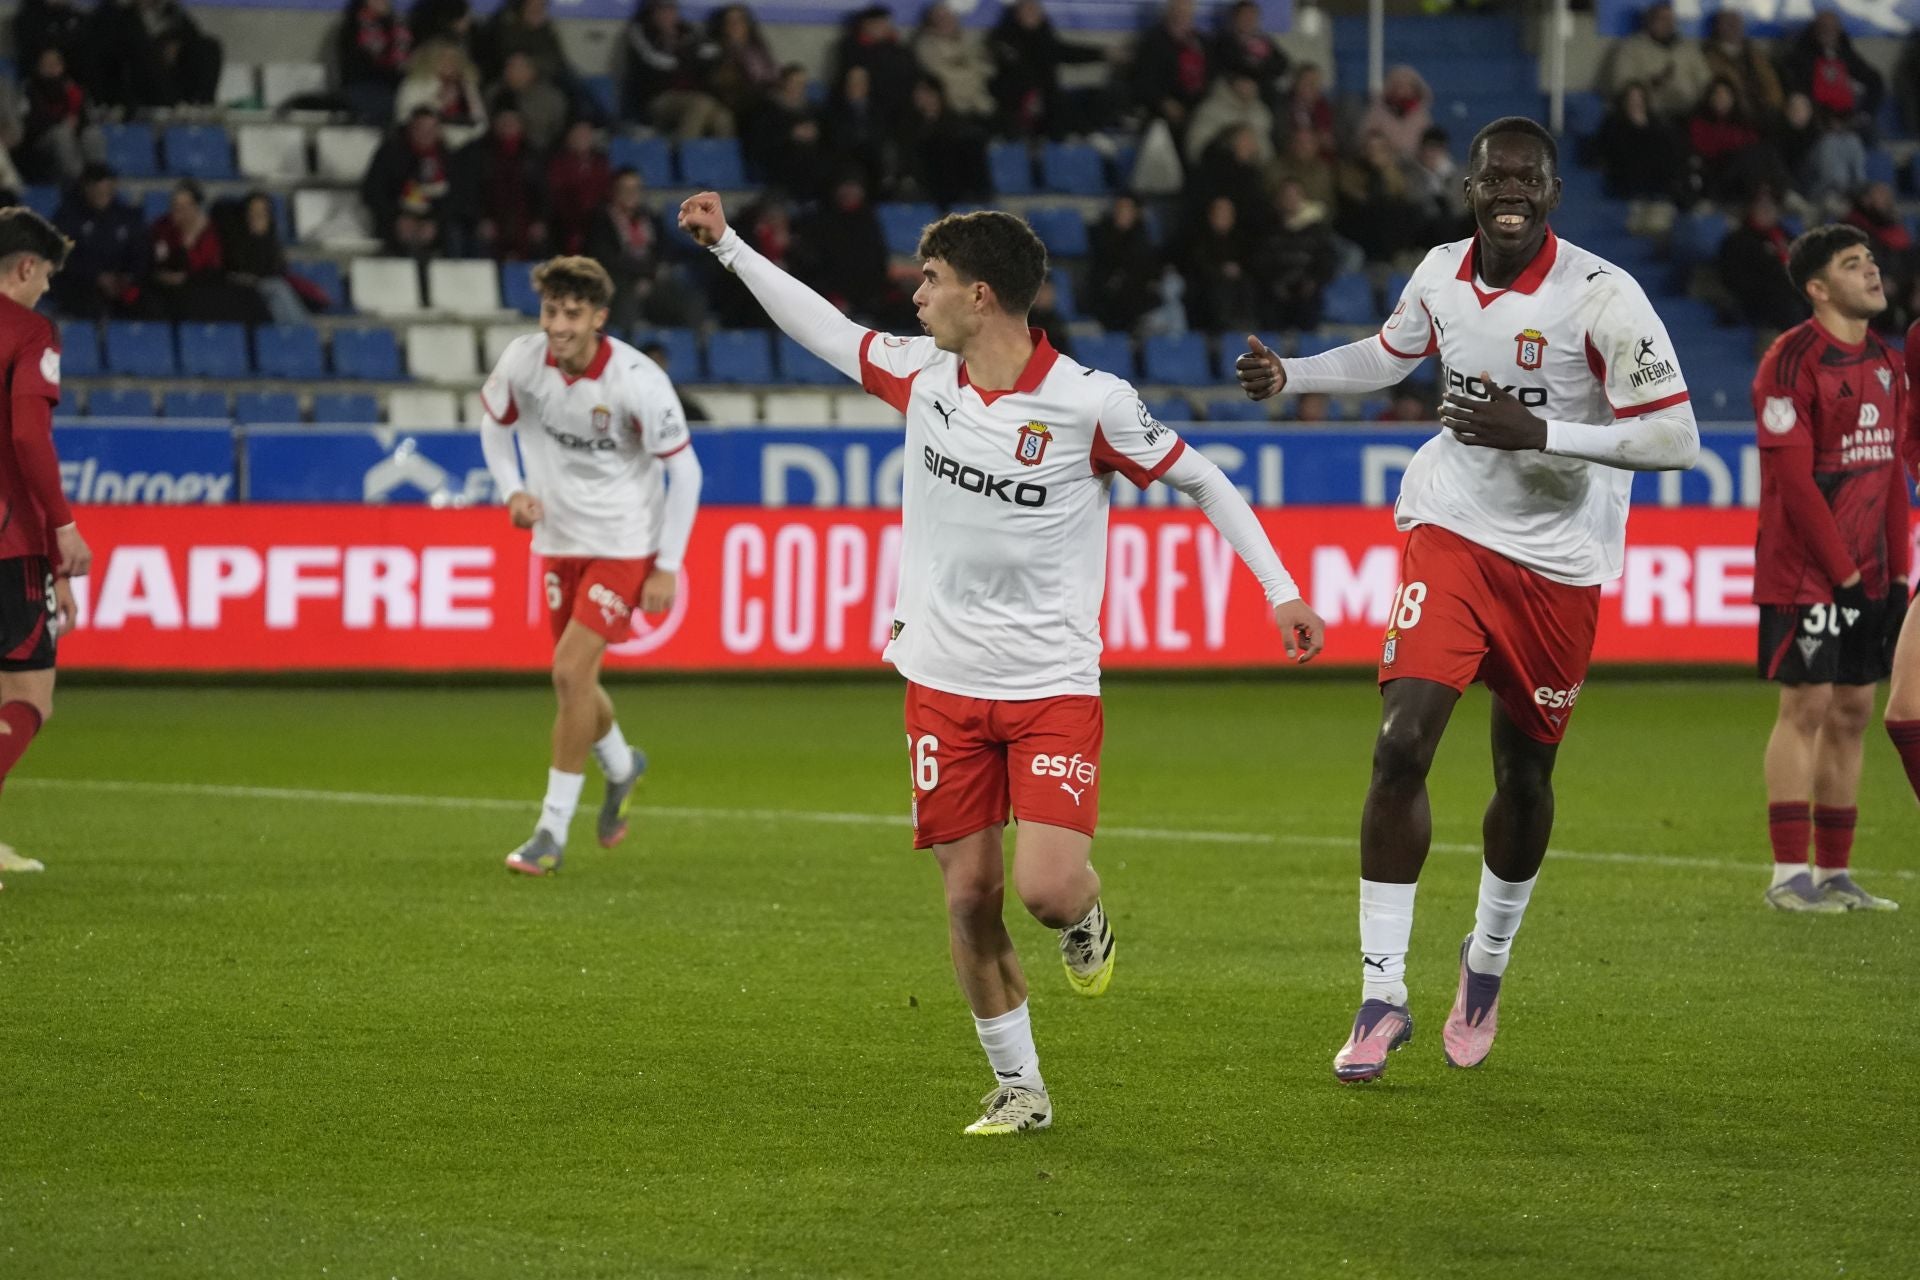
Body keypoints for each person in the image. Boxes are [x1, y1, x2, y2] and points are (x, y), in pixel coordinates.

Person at [679, 191, 1326, 1135]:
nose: (916, 297)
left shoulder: (1091, 402)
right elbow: (824, 329)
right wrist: (729, 246)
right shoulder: (922, 375)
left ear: (979, 295)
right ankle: (1021, 1086)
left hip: (1049, 686)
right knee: (970, 897)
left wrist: (1281, 591)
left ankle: (1086, 916)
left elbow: (1204, 479)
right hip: (940, 683)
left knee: (1047, 890)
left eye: (931, 280)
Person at [1234, 117, 1701, 1082]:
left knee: (1524, 780)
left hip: (1559, 563)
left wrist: (1543, 434)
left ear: (1554, 194)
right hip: (1449, 530)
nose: (1511, 193)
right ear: (1471, 188)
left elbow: (1676, 439)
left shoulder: (1604, 296)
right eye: (1496, 179)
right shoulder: (1441, 271)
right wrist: (1294, 374)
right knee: (1400, 744)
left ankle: (1484, 963)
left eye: (1530, 180)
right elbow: (1389, 353)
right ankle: (1381, 995)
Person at [477, 256, 703, 876]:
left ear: (599, 318)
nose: (558, 325)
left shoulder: (637, 380)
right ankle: (622, 765)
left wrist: (667, 565)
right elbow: (494, 428)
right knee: (575, 682)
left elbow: (685, 472)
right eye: (551, 311)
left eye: (572, 314)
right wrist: (511, 491)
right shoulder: (523, 361)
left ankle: (550, 831)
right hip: (557, 540)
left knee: (569, 671)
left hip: (624, 544)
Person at [1750, 226, 1905, 913]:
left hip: (1867, 571)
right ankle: (1789, 874)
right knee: (1806, 705)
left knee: (1853, 710)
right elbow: (1795, 483)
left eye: (1870, 260)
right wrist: (1844, 577)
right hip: (1805, 572)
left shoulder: (1889, 363)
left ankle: (1836, 873)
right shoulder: (1789, 362)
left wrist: (1895, 576)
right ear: (1817, 288)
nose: (1871, 271)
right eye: (1852, 264)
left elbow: (1891, 473)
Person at [0, 208, 93, 885]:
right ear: (26, 267)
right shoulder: (31, 332)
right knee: (30, 694)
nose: (47, 289)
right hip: (8, 540)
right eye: (47, 276)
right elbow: (29, 436)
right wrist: (62, 531)